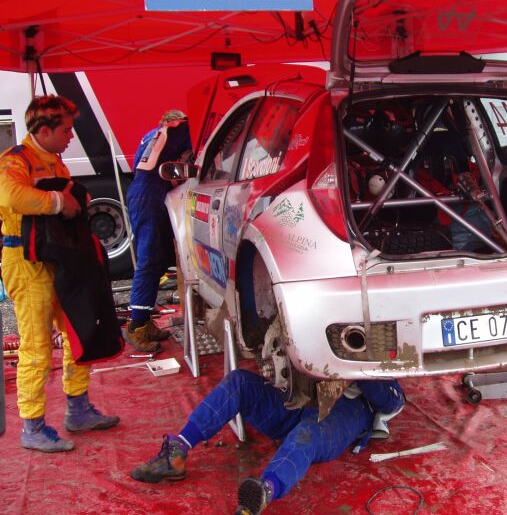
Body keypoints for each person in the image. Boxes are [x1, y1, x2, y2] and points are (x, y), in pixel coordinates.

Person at [0, 95, 119, 453]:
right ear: (45, 129)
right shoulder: (15, 162)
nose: (71, 135)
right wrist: (58, 202)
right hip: (25, 261)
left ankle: (78, 409)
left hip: (58, 259)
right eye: (66, 129)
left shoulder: (56, 162)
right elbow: (10, 197)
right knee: (36, 345)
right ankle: (32, 427)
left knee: (76, 331)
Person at [130, 370, 405, 515]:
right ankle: (177, 452)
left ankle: (263, 492)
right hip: (301, 399)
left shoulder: (372, 332)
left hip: (345, 412)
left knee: (306, 434)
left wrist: (353, 364)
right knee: (240, 383)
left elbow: (393, 399)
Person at [123, 110, 192, 353]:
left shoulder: (150, 136)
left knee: (157, 260)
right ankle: (136, 326)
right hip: (150, 195)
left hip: (144, 192)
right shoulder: (180, 129)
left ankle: (143, 321)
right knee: (149, 260)